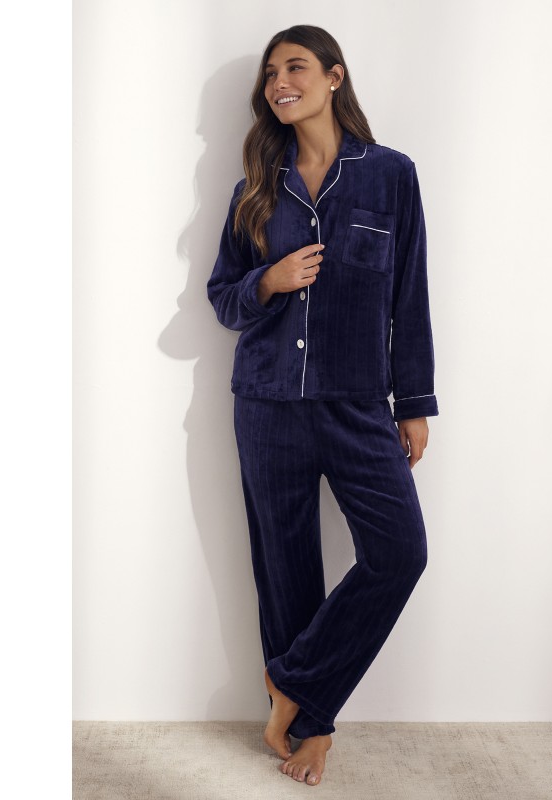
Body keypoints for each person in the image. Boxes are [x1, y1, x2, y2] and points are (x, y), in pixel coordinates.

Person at [206, 24, 438, 786]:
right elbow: (223, 297)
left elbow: (409, 296)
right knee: (287, 571)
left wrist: (413, 403)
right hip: (268, 402)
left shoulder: (391, 176)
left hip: (357, 404)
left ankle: (294, 686)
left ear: (335, 77)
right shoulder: (255, 189)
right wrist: (267, 282)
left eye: (296, 67)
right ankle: (310, 730)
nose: (280, 82)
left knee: (400, 553)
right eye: (271, 73)